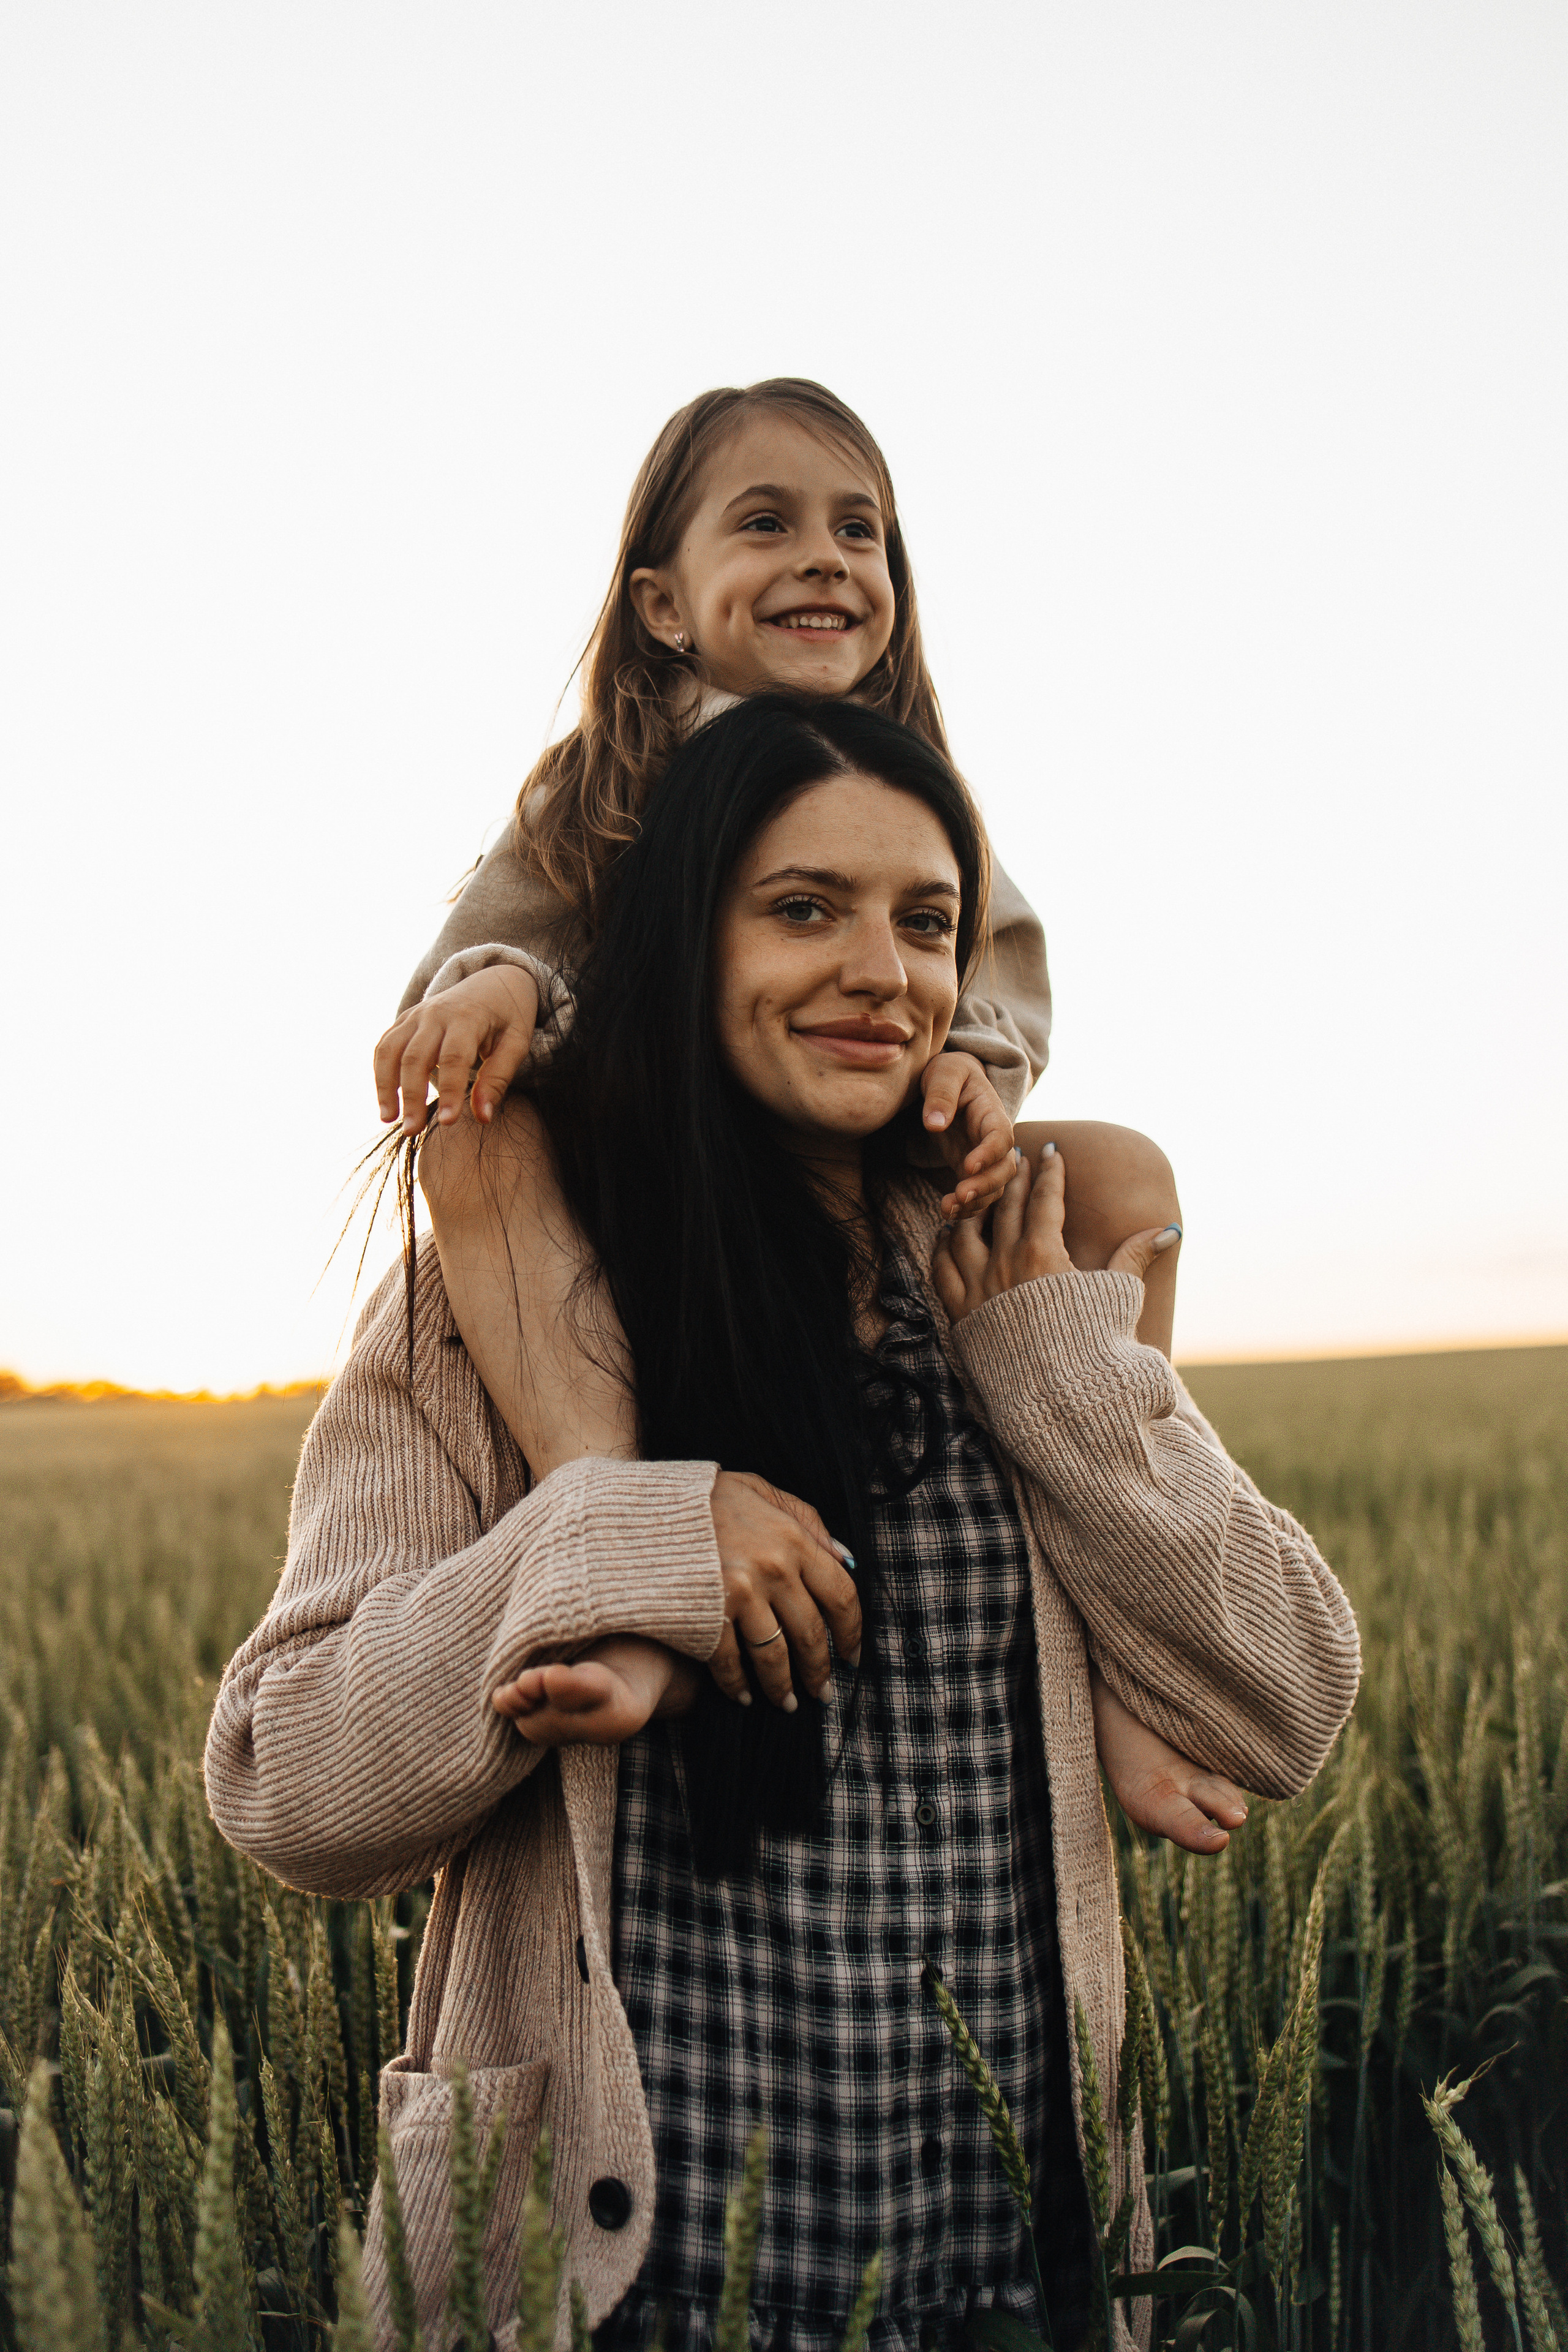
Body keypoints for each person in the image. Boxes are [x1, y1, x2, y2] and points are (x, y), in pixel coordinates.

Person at [206, 696, 1360, 2352]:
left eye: (928, 922)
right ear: (685, 939)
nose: (882, 971)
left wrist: (1047, 1368)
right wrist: (626, 1536)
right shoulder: (491, 1307)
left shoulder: (999, 1275)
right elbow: (287, 1776)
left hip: (998, 2289)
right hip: (612, 2298)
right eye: (804, 908)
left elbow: (1285, 1698)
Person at [369, 374, 1216, 1850]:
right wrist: (498, 985)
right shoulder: (603, 781)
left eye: (858, 529)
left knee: (1125, 1175)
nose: (825, 557)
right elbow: (500, 944)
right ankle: (617, 1531)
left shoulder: (906, 782)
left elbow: (997, 969)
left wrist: (974, 1070)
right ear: (660, 604)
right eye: (765, 523)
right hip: (650, 1157)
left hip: (863, 1148)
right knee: (470, 1136)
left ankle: (1127, 1648)